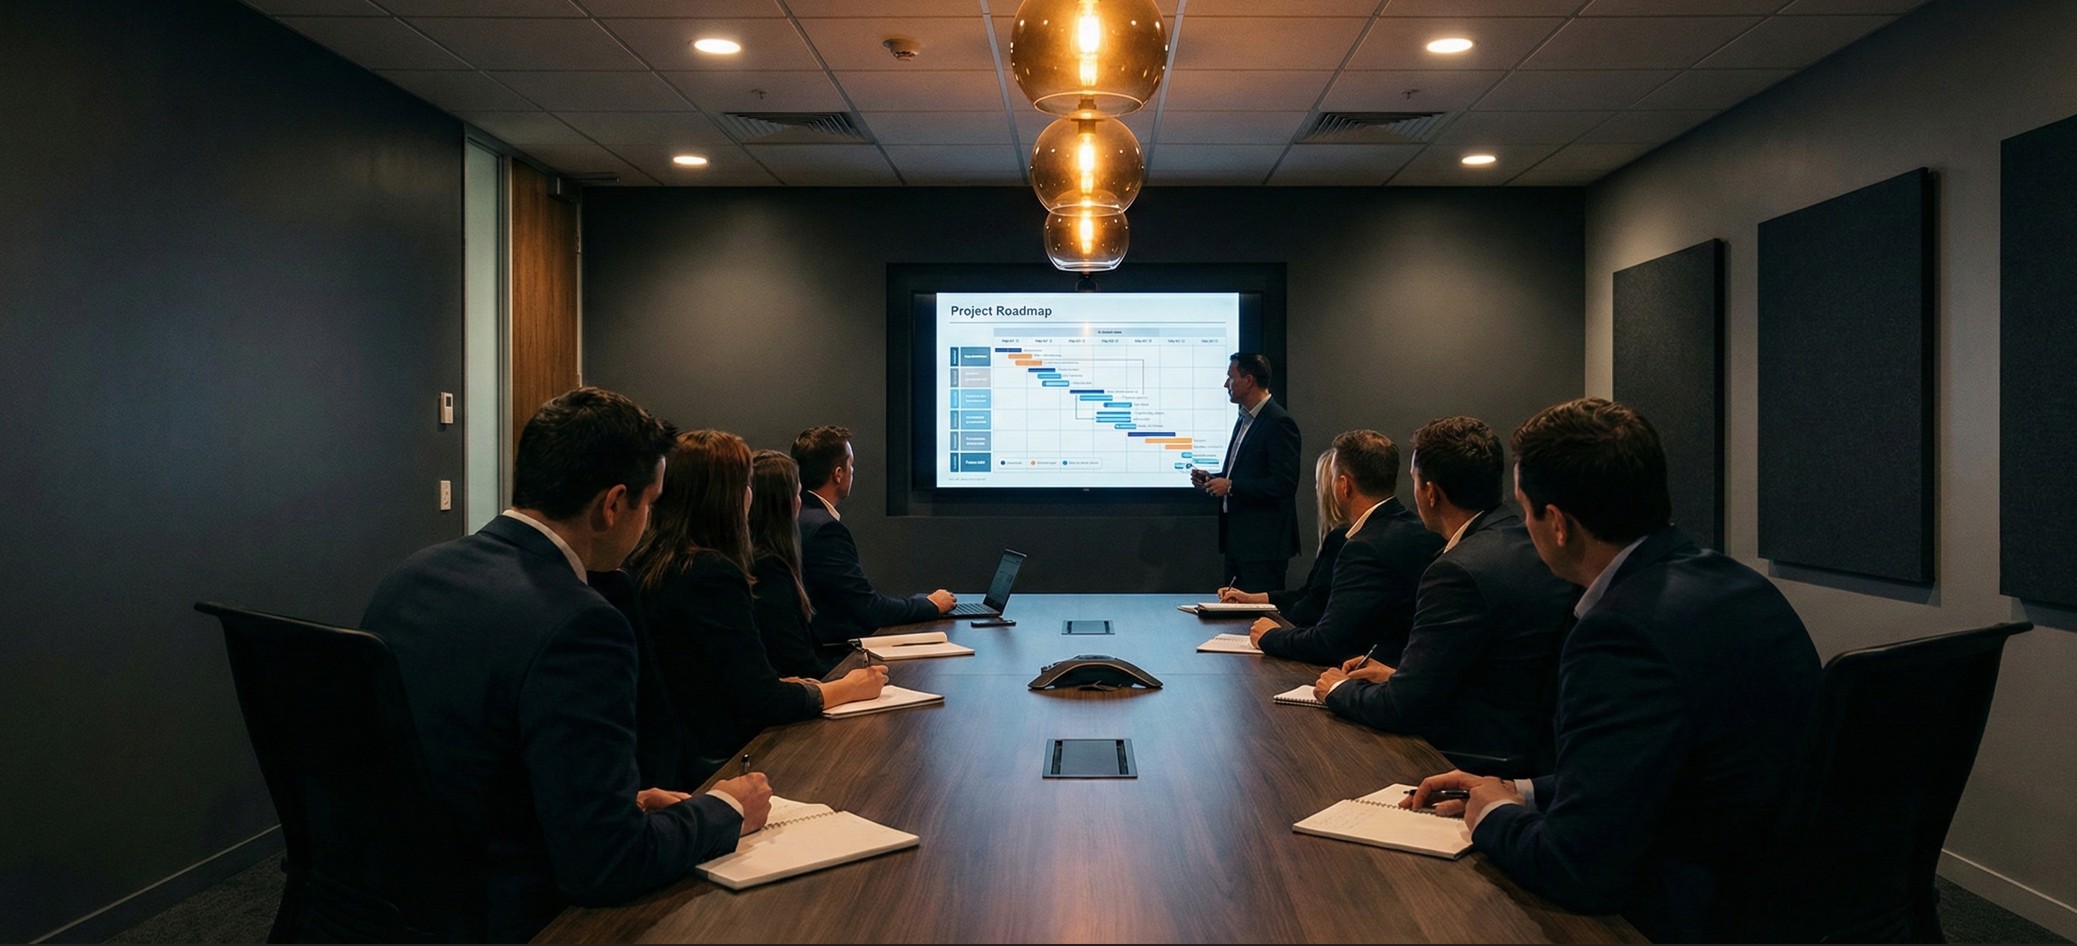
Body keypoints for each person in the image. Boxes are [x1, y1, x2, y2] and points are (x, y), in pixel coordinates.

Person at [359, 388, 773, 942]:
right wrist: (724, 809)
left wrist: (614, 802)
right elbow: (606, 865)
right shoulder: (581, 624)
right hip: (511, 912)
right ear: (612, 505)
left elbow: (468, 752)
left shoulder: (412, 576)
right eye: (649, 504)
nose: (647, 523)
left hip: (392, 894)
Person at [1403, 398, 1821, 943]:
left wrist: (1490, 815)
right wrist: (1519, 790)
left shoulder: (1618, 635)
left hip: (1687, 910)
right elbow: (1643, 769)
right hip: (1787, 893)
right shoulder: (1740, 586)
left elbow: (1577, 868)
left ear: (1557, 524)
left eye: (1525, 508)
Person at [1311, 417, 1577, 775]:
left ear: (1431, 493)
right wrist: (1397, 676)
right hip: (1542, 749)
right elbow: (1493, 670)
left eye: (1416, 482)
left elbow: (1402, 709)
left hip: (1472, 755)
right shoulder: (1525, 540)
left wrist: (1338, 690)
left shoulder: (1456, 571)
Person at [628, 430, 889, 783]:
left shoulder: (644, 562)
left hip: (665, 762)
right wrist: (847, 687)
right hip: (719, 765)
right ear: (729, 497)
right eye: (746, 484)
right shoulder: (712, 573)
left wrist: (784, 684)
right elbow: (761, 700)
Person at [1249, 429, 1441, 666]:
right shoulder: (1425, 532)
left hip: (1366, 678)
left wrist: (1269, 635)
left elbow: (1328, 643)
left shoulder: (1362, 547)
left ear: (1344, 485)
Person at [792, 424, 954, 647]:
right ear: (838, 474)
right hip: (831, 654)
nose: (853, 472)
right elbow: (869, 609)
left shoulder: (799, 516)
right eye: (851, 464)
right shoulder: (825, 530)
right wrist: (931, 605)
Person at [1191, 352, 1301, 592]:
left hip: (1263, 547)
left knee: (1256, 618)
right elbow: (1246, 471)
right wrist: (1213, 480)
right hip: (1238, 542)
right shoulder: (1244, 419)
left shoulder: (1278, 422)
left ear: (1248, 380)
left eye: (1230, 377)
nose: (1225, 384)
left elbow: (1284, 483)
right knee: (1233, 616)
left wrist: (1231, 486)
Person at [1219, 448, 1347, 626]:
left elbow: (1311, 608)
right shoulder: (1340, 537)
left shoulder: (1340, 540)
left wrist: (1275, 631)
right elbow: (1307, 594)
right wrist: (1250, 599)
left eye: (1318, 483)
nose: (1316, 489)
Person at [747, 449, 831, 679]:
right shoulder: (768, 569)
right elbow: (797, 662)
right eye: (797, 493)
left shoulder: (756, 560)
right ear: (786, 504)